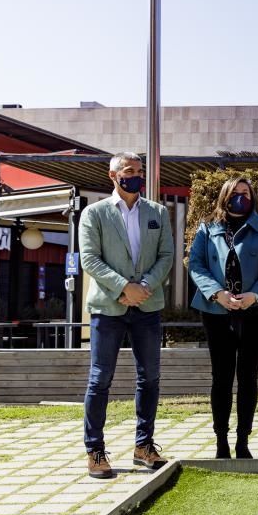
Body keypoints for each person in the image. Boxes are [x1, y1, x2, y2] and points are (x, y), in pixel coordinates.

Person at [79, 152, 174, 479]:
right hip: (109, 307)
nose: (135, 175)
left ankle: (143, 446)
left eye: (139, 171)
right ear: (113, 175)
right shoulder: (94, 213)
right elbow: (89, 259)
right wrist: (123, 287)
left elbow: (166, 255)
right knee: (99, 379)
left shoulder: (157, 212)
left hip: (147, 306)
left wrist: (144, 284)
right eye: (128, 170)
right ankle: (95, 451)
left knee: (150, 377)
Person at [188, 177, 258, 459]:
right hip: (217, 310)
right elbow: (196, 263)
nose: (241, 197)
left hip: (256, 309)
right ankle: (221, 441)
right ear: (225, 196)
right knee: (221, 376)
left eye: (246, 193)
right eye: (235, 193)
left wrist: (256, 294)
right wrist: (216, 293)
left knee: (248, 376)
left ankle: (243, 440)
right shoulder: (208, 227)